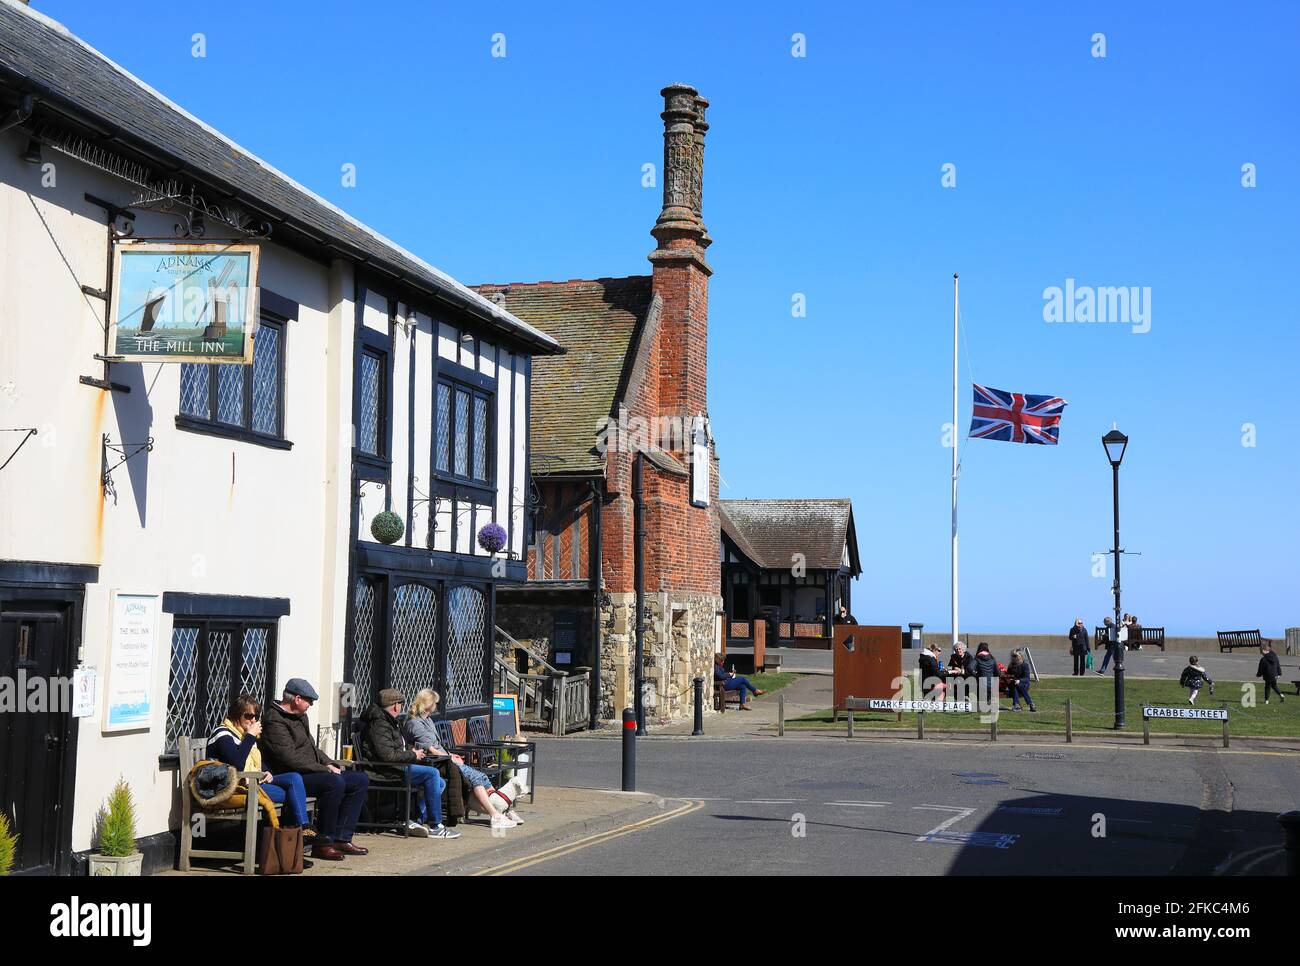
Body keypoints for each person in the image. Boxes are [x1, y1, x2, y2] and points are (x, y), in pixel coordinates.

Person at [259, 678, 369, 861]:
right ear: (297, 699)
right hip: (291, 777)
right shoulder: (274, 720)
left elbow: (312, 748)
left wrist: (330, 764)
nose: (310, 705)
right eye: (309, 701)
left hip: (311, 772)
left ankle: (342, 838)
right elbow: (289, 758)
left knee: (360, 780)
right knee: (334, 782)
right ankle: (323, 843)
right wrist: (324, 770)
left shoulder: (301, 717)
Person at [403, 688, 520, 828]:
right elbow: (430, 749)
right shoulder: (415, 723)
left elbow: (437, 746)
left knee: (481, 776)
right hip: (435, 763)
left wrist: (451, 755)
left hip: (444, 758)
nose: (436, 706)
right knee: (476, 778)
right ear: (429, 704)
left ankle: (502, 811)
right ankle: (495, 815)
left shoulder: (427, 720)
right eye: (436, 703)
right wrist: (450, 759)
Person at [358, 689, 461, 839]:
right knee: (432, 774)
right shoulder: (380, 724)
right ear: (395, 706)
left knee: (439, 783)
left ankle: (414, 819)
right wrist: (413, 755)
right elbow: (387, 756)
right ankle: (435, 826)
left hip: (394, 767)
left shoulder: (387, 721)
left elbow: (393, 750)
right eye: (400, 704)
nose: (401, 708)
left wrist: (410, 751)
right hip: (384, 771)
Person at [208, 694, 309, 829]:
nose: (253, 720)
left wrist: (265, 771)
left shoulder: (242, 734)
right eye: (249, 716)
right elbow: (236, 765)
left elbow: (254, 760)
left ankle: (301, 831)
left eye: (256, 716)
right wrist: (250, 736)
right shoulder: (223, 734)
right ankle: (297, 833)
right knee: (292, 795)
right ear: (235, 715)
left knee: (294, 778)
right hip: (234, 787)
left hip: (253, 781)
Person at [972, 642, 999, 712]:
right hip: (991, 684)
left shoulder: (977, 658)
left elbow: (970, 668)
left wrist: (976, 675)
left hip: (981, 683)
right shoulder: (992, 659)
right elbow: (998, 672)